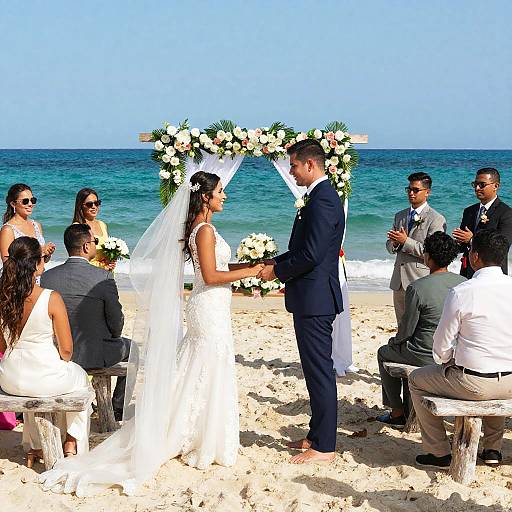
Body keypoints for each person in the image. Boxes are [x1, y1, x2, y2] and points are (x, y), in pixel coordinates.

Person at [39, 171, 263, 495]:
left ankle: (205, 434)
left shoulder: (202, 229)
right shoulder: (205, 230)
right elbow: (212, 276)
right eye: (221, 191)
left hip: (212, 305)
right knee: (206, 365)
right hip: (208, 304)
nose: (224, 196)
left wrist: (248, 270)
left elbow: (215, 272)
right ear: (206, 196)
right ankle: (199, 438)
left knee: (206, 367)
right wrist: (252, 271)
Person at [258, 139, 344, 464]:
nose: (291, 171)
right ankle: (316, 435)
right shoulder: (316, 197)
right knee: (312, 369)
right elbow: (301, 249)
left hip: (316, 298)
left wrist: (276, 272)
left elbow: (311, 255)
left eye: (293, 165)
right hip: (310, 296)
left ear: (310, 165)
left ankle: (326, 447)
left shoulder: (323, 201)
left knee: (320, 371)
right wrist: (271, 262)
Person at [410, 229, 512, 468]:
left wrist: (447, 360)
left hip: (474, 384)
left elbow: (442, 345)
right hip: (511, 380)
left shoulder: (463, 291)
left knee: (415, 379)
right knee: (498, 373)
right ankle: (492, 450)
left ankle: (439, 452)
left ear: (475, 257)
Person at [0, 237, 91, 466]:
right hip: (41, 377)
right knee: (81, 380)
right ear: (37, 265)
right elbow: (67, 350)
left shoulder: (3, 298)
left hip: (10, 377)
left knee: (34, 385)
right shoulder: (51, 298)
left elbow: (1, 347)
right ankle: (71, 441)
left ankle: (35, 446)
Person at [40, 224, 131, 420]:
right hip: (94, 355)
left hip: (57, 354)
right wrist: (113, 336)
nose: (96, 245)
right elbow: (116, 322)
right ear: (85, 247)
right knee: (132, 349)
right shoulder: (103, 276)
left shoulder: (47, 277)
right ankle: (116, 409)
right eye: (94, 242)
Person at [376, 232, 466, 426]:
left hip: (424, 353)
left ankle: (397, 411)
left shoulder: (417, 287)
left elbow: (407, 329)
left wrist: (395, 342)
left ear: (427, 257)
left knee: (384, 353)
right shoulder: (463, 283)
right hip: (453, 353)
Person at [386, 173, 446, 326]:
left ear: (427, 192)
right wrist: (394, 243)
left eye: (415, 190)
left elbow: (433, 252)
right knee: (401, 325)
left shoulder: (436, 219)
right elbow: (389, 245)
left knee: (419, 325)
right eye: (409, 189)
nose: (411, 193)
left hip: (420, 278)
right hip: (399, 280)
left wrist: (406, 242)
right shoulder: (400, 215)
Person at [452, 167, 512, 278]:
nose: (477, 188)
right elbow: (462, 244)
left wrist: (471, 240)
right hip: (467, 271)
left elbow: (503, 246)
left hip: (492, 275)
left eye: (482, 185)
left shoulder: (506, 213)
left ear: (496, 186)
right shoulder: (469, 211)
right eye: (475, 184)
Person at [0, 183, 55, 263]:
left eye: (32, 200)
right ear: (13, 204)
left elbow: (43, 261)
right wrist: (40, 251)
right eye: (25, 201)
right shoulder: (8, 230)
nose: (30, 204)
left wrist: (48, 253)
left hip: (39, 275)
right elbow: (8, 264)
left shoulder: (37, 225)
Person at [72, 188, 114, 270]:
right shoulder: (77, 227)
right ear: (81, 206)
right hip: (89, 273)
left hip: (107, 273)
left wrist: (112, 258)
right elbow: (79, 259)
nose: (94, 207)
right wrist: (103, 266)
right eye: (89, 204)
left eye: (97, 203)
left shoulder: (102, 224)